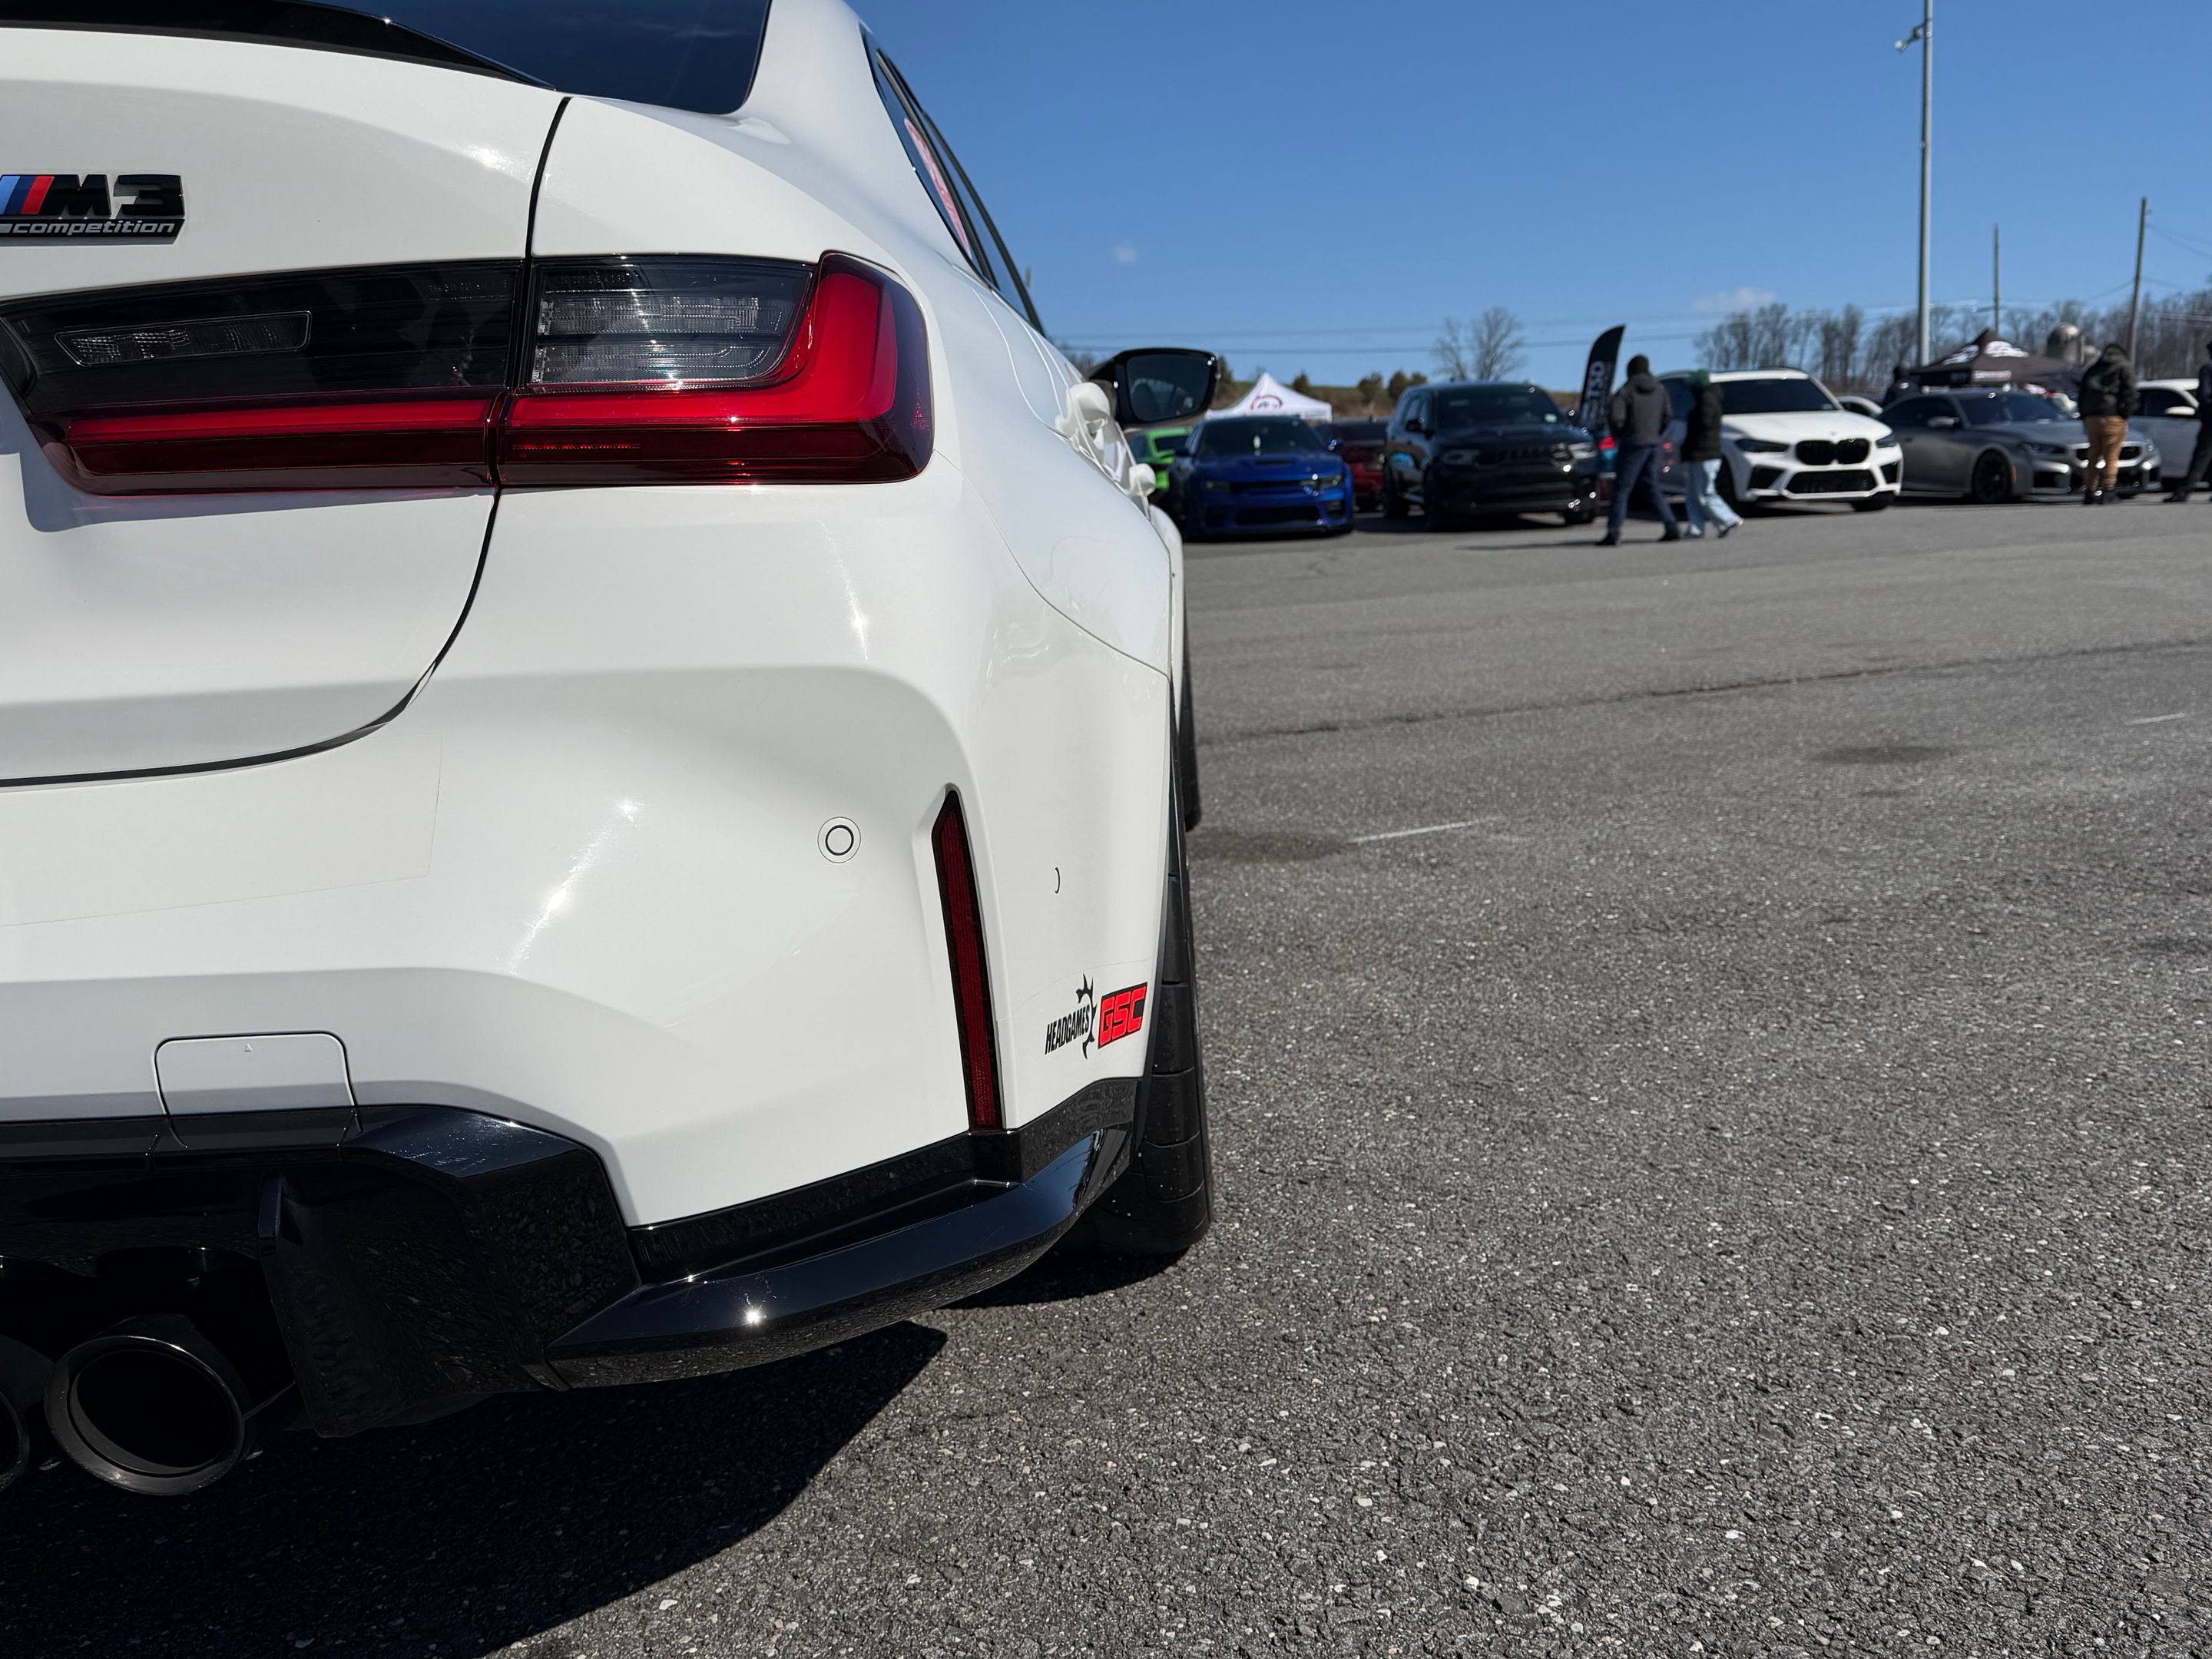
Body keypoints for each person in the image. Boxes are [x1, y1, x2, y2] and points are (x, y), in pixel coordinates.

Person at [1601, 354, 1680, 546]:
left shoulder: (1626, 391)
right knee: (1651, 486)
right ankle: (1671, 526)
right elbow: (1668, 416)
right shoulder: (1660, 389)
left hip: (1632, 444)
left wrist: (1620, 435)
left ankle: (1614, 531)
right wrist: (1656, 433)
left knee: (1622, 489)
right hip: (1653, 443)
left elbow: (1616, 417)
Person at [1679, 369, 1740, 539]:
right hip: (1697, 453)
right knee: (1692, 494)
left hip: (1705, 454)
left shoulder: (1707, 400)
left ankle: (1728, 519)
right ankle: (1696, 528)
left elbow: (1704, 423)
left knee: (1705, 493)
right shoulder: (1706, 400)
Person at [2075, 342, 2137, 505]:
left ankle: (2089, 491)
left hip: (2091, 417)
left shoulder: (2092, 369)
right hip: (2112, 415)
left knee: (2093, 455)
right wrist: (2126, 413)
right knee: (2111, 455)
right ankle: (2108, 490)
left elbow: (2081, 395)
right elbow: (2130, 392)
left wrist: (2084, 415)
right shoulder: (2123, 367)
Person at [2164, 337, 2212, 502]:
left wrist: (2204, 413)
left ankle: (2184, 491)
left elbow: (2204, 396)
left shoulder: (2208, 369)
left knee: (2201, 456)